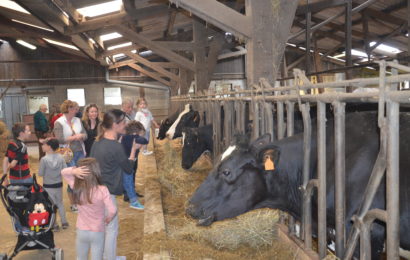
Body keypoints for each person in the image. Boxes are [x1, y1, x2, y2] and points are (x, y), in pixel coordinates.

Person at [90, 109, 139, 260]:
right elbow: (129, 169)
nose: (125, 125)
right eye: (123, 122)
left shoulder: (97, 142)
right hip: (107, 194)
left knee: (101, 229)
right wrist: (133, 152)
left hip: (94, 190)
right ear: (115, 125)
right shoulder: (115, 147)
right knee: (111, 230)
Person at [61, 158, 117, 260]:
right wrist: (108, 219)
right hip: (98, 231)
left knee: (80, 257)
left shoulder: (76, 188)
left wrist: (73, 171)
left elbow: (63, 172)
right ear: (96, 171)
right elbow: (113, 210)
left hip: (82, 230)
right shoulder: (102, 190)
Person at [53, 100, 87, 212]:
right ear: (68, 109)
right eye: (74, 109)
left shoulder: (77, 120)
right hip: (67, 153)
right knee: (72, 177)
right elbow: (59, 139)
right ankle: (73, 204)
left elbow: (85, 135)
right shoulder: (59, 122)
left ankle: (80, 200)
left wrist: (81, 135)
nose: (77, 111)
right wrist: (73, 138)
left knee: (81, 176)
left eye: (77, 109)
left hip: (80, 151)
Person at [38, 138, 68, 231]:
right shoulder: (61, 157)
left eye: (44, 144)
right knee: (60, 203)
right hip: (59, 184)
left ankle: (54, 224)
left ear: (49, 147)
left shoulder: (44, 159)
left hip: (48, 186)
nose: (42, 146)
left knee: (51, 205)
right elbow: (65, 170)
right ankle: (64, 222)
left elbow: (40, 173)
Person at [120, 120, 147, 209]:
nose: (142, 135)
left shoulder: (128, 137)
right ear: (135, 133)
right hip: (127, 161)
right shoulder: (128, 137)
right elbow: (144, 140)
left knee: (130, 178)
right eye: (142, 133)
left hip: (131, 160)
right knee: (128, 180)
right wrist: (139, 136)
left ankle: (130, 194)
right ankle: (131, 199)